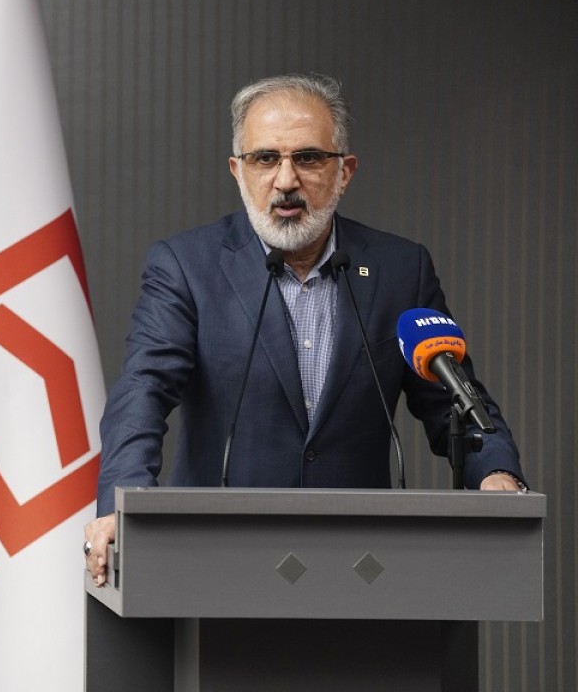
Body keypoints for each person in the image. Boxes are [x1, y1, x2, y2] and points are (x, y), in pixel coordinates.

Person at [84, 72, 527, 587]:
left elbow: (452, 396)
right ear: (237, 170)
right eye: (265, 158)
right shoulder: (186, 266)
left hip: (364, 566)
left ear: (345, 172)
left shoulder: (400, 269)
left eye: (309, 158)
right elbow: (144, 388)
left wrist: (496, 472)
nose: (286, 180)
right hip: (217, 557)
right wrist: (122, 500)